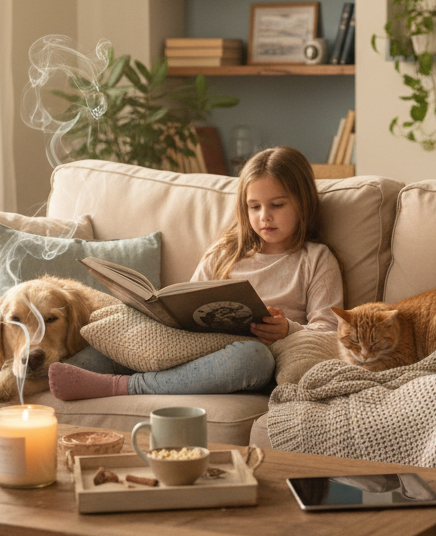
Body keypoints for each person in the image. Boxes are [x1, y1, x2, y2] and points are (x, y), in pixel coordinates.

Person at [48, 146, 343, 399]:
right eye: (254, 207)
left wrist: (288, 329)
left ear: (303, 203)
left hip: (249, 355)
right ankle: (43, 374)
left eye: (276, 205)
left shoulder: (316, 259)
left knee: (254, 359)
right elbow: (189, 299)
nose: (264, 216)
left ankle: (128, 386)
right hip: (196, 345)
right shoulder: (226, 252)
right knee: (115, 328)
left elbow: (331, 332)